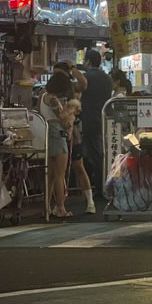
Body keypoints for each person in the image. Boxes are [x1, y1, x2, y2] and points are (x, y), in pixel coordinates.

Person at [52, 62, 95, 214]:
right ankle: (58, 204)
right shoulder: (52, 91)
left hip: (74, 133)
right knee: (56, 171)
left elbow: (83, 83)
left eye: (59, 73)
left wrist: (72, 68)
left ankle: (90, 202)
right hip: (57, 134)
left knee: (78, 167)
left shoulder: (73, 88)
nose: (56, 76)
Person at [40, 72, 79, 218]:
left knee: (49, 174)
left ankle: (46, 206)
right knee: (59, 174)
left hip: (46, 134)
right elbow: (63, 118)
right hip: (57, 134)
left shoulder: (43, 96)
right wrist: (70, 112)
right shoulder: (53, 99)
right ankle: (60, 207)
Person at [81, 49, 112, 196]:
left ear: (88, 61)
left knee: (94, 156)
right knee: (100, 154)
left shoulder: (86, 77)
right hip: (103, 120)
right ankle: (100, 186)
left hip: (89, 120)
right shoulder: (107, 78)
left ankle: (99, 189)